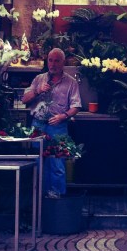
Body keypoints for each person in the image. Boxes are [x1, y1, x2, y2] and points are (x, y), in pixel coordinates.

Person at [22, 48, 82, 198]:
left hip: (58, 125)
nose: (53, 64)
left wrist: (63, 116)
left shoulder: (71, 82)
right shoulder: (39, 79)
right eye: (50, 60)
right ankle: (38, 195)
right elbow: (24, 100)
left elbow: (76, 106)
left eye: (56, 61)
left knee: (57, 162)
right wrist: (37, 91)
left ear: (63, 62)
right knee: (38, 160)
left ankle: (56, 197)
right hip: (38, 124)